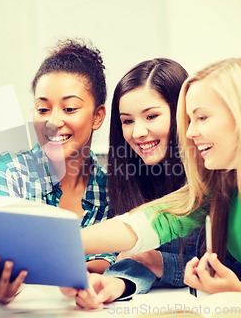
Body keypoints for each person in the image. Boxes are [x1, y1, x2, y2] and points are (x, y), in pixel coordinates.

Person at [80, 58, 241, 300]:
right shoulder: (226, 178)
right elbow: (155, 221)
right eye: (189, 120)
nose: (190, 133)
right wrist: (65, 242)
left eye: (201, 117)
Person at [0, 39, 112, 304]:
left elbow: (106, 263)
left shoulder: (112, 190)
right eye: (43, 109)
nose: (52, 121)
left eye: (69, 108)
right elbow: (5, 261)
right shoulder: (7, 171)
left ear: (97, 116)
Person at [63, 59, 202, 308]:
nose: (137, 132)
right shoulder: (129, 177)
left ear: (182, 113)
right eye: (127, 121)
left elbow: (214, 262)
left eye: (151, 116)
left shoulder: (210, 173)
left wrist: (160, 262)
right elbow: (135, 254)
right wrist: (116, 283)